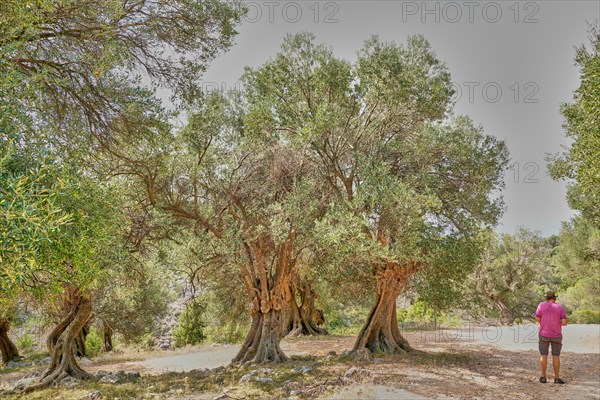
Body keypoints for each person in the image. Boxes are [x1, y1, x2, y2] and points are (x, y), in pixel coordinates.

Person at [535, 290, 568, 384]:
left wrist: (544, 320)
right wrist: (557, 322)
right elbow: (564, 322)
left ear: (546, 298)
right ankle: (557, 378)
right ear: (555, 298)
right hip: (556, 335)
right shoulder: (560, 307)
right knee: (556, 356)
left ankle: (543, 377)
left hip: (543, 334)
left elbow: (537, 318)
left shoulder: (541, 305)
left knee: (543, 355)